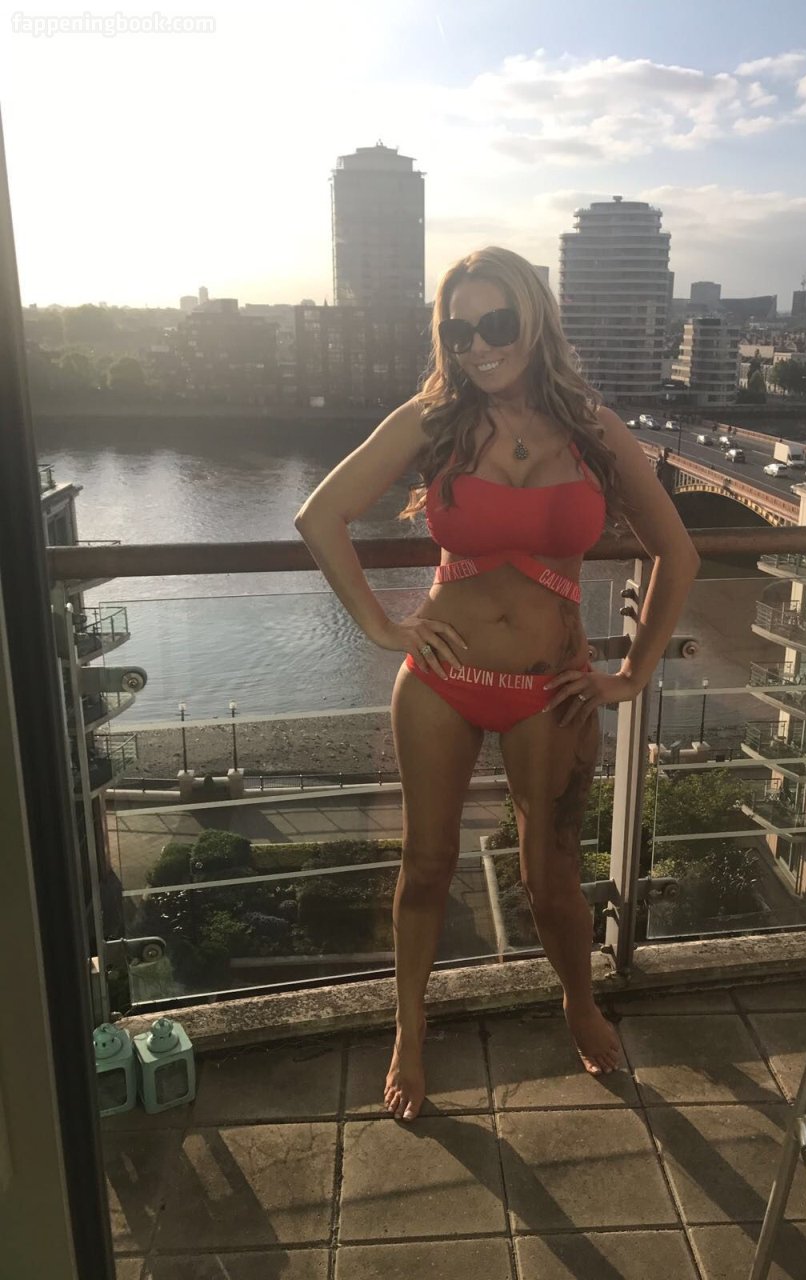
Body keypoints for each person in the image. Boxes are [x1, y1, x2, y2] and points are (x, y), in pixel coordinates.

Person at [295, 247, 700, 1121]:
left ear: (535, 320)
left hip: (552, 690)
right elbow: (320, 515)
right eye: (459, 332)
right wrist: (383, 626)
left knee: (550, 876)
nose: (478, 346)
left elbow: (678, 552)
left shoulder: (592, 428)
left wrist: (633, 672)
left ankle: (579, 1002)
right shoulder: (434, 421)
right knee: (426, 865)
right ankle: (409, 1030)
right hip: (441, 680)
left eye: (497, 324)